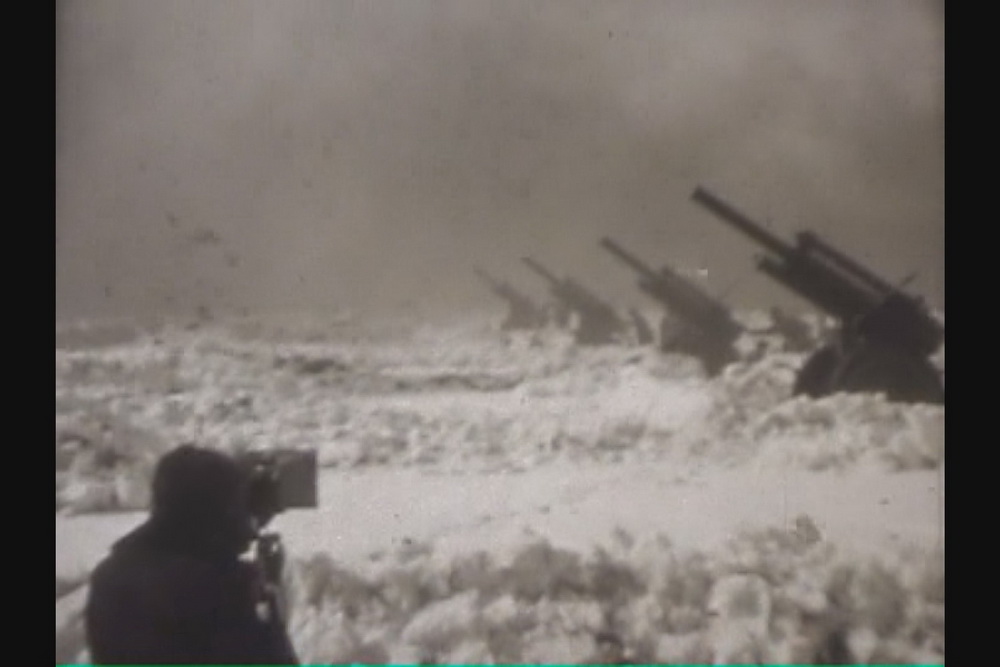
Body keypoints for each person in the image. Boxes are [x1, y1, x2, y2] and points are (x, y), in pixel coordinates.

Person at [85, 445, 299, 665]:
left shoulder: (109, 577)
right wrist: (267, 594)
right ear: (213, 514)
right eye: (236, 507)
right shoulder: (222, 588)